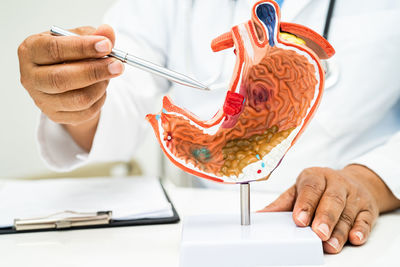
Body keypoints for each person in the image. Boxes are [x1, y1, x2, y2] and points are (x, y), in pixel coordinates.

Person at [17, 0, 400, 254]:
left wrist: (373, 178)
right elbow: (121, 91)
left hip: (367, 233)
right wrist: (77, 94)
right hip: (212, 219)